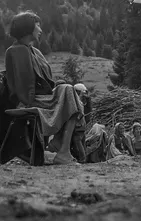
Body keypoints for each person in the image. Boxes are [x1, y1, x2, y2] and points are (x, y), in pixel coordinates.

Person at [5, 11, 83, 165]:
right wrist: (28, 101)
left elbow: (46, 81)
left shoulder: (35, 51)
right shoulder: (16, 51)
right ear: (28, 27)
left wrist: (56, 88)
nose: (40, 30)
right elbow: (24, 83)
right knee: (68, 91)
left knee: (69, 91)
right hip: (30, 99)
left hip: (42, 96)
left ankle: (61, 146)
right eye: (37, 25)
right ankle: (62, 149)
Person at [71, 83, 90, 163]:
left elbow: (81, 113)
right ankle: (84, 158)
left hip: (79, 125)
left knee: (77, 141)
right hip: (83, 124)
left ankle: (82, 159)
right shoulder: (84, 99)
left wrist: (76, 119)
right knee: (82, 142)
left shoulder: (78, 101)